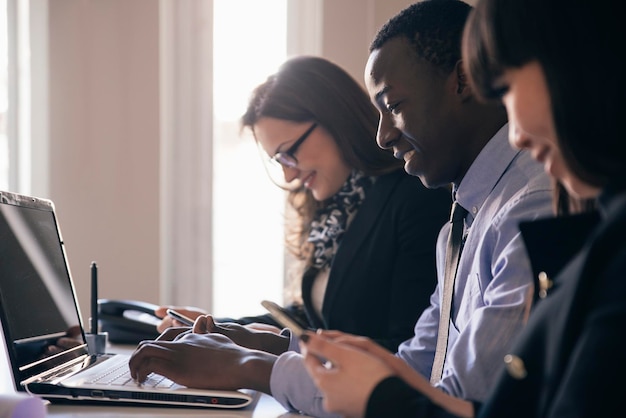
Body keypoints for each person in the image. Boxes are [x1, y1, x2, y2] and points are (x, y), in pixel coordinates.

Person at [128, 2, 553, 416]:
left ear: (462, 81)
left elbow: (457, 400)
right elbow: (415, 368)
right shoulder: (465, 218)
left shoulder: (528, 209)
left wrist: (251, 366)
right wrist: (269, 344)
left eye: (394, 106)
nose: (383, 135)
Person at [300, 0, 626, 417]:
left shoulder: (541, 210)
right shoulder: (467, 218)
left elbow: (479, 400)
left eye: (505, 87)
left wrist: (377, 397)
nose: (518, 134)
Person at [155, 55, 451, 353]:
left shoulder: (413, 200)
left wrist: (283, 346)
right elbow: (308, 320)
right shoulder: (332, 214)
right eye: (278, 161)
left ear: (336, 119)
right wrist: (218, 327)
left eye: (289, 153)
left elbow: (412, 350)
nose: (289, 174)